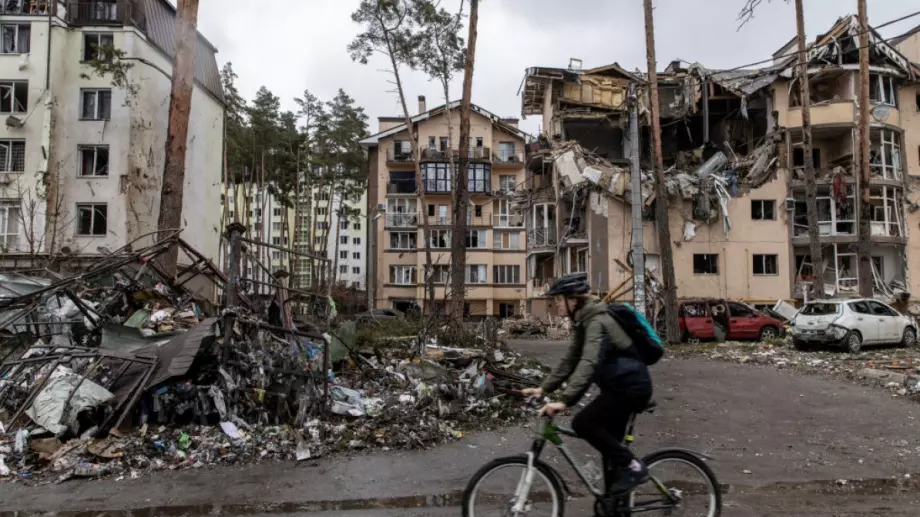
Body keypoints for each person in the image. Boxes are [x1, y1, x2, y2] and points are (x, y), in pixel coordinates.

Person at [521, 273, 653, 496]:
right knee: (611, 454)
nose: (556, 305)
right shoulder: (585, 321)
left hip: (630, 388)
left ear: (573, 300)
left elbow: (588, 363)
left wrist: (564, 401)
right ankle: (615, 506)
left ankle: (635, 467)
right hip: (618, 388)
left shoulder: (597, 322)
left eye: (559, 300)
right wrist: (544, 388)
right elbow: (570, 359)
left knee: (583, 423)